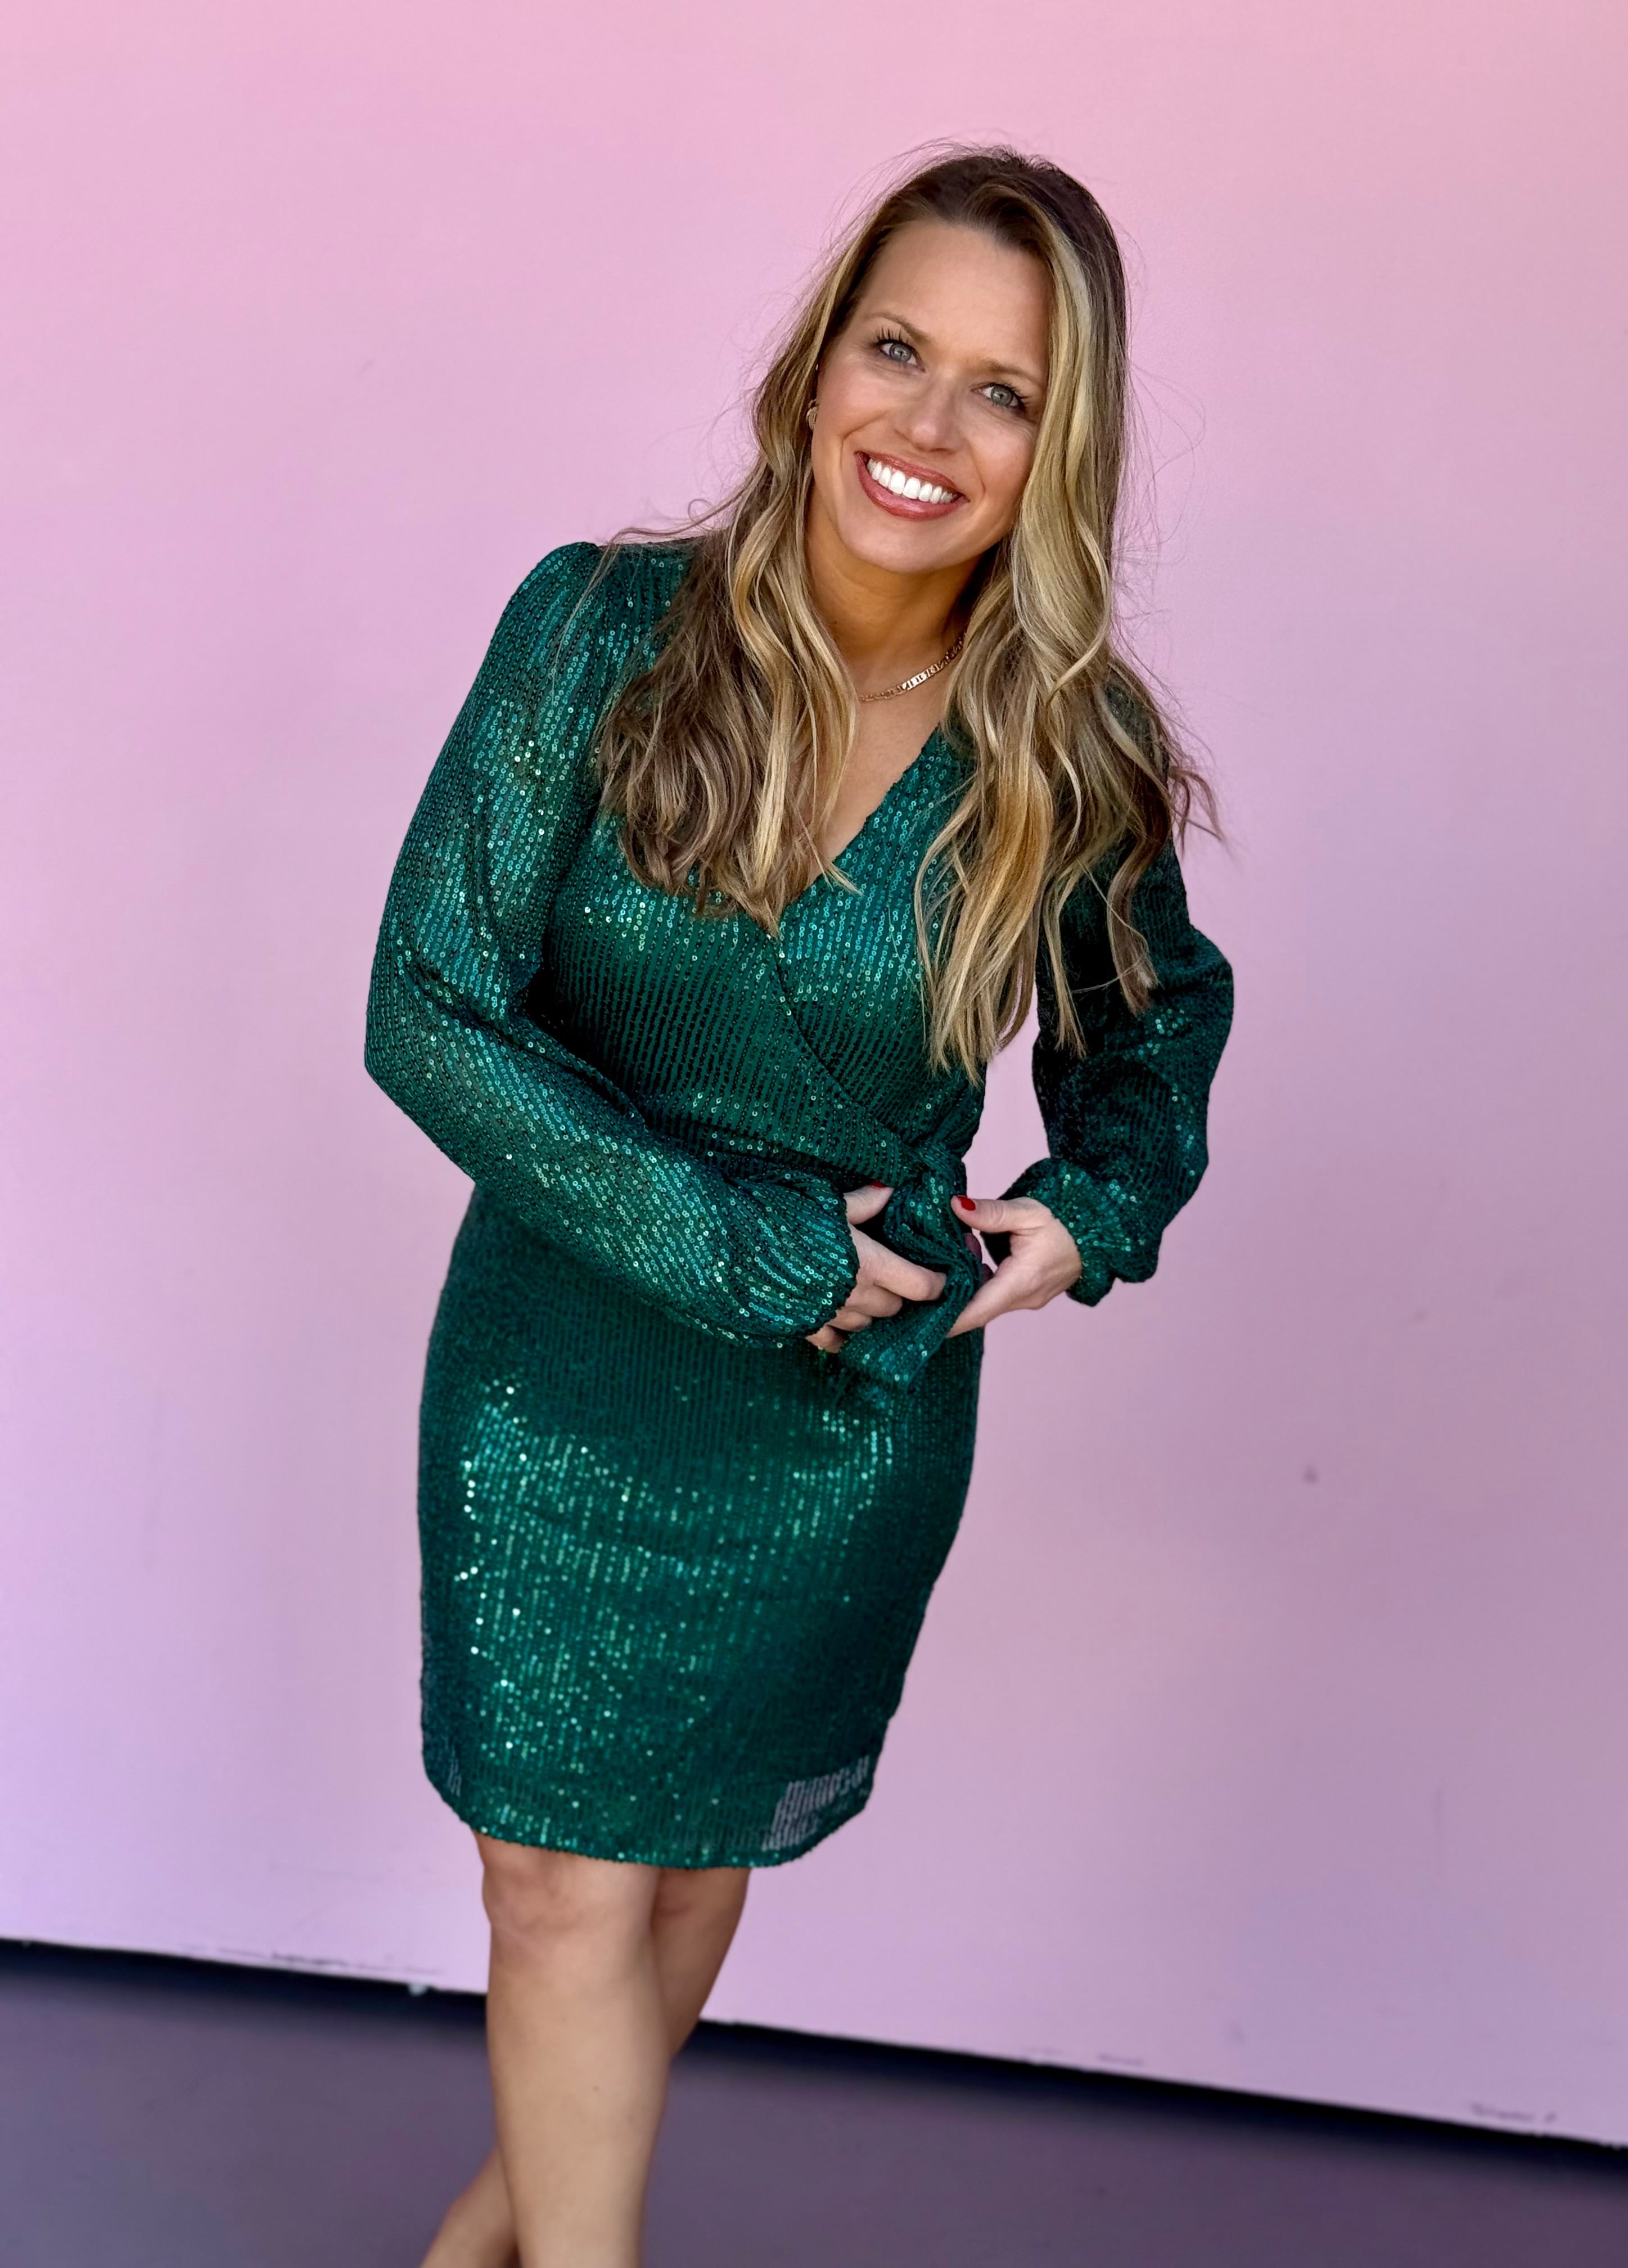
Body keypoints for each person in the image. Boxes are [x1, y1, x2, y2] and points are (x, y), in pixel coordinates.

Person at [366, 143, 1233, 2268]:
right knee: (551, 1886)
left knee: (670, 1887)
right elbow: (429, 1009)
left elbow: (1149, 1032)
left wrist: (1091, 1209)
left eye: (1004, 392)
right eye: (898, 349)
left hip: (843, 1423)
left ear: (1059, 447)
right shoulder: (601, 630)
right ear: (820, 360)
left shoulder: (1070, 749)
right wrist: (742, 1244)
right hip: (560, 1365)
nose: (928, 428)